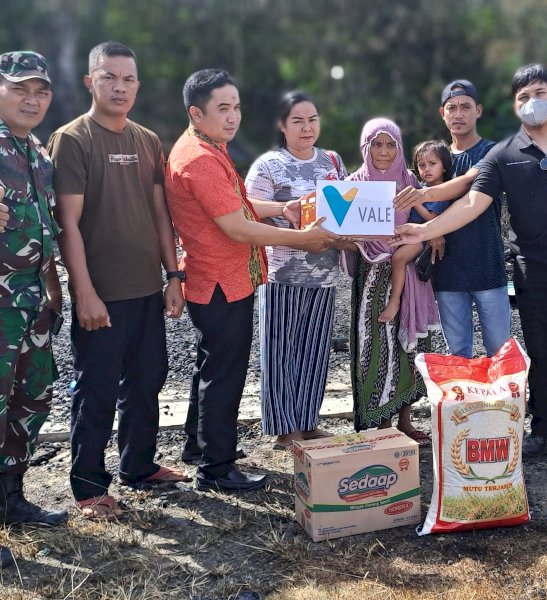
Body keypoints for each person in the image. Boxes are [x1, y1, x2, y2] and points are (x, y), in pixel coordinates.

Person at [393, 64, 547, 471]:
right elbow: (471, 203)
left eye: (539, 93)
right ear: (514, 105)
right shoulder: (504, 154)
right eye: (522, 97)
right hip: (532, 270)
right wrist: (423, 231)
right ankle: (545, 432)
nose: (531, 103)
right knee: (539, 352)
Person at [166, 71, 336, 491]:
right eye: (222, 108)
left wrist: (284, 207)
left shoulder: (206, 145)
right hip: (220, 280)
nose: (232, 116)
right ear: (196, 111)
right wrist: (300, 237)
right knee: (224, 374)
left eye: (236, 106)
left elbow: (237, 204)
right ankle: (216, 468)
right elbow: (237, 226)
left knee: (211, 366)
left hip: (221, 277)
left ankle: (198, 445)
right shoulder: (201, 159)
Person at [49, 41, 189, 520]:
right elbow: (68, 224)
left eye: (129, 79)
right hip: (101, 294)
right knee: (97, 390)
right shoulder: (73, 139)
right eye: (110, 77)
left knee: (148, 380)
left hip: (148, 288)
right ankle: (88, 487)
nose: (120, 87)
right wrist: (83, 293)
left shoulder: (147, 140)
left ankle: (139, 465)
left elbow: (160, 214)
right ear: (91, 81)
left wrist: (174, 275)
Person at [244, 91, 347, 451]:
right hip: (282, 273)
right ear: (282, 125)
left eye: (313, 119)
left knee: (314, 351)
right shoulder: (269, 165)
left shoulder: (332, 161)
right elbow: (244, 207)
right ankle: (285, 430)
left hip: (324, 274)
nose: (307, 127)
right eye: (298, 121)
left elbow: (348, 208)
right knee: (280, 352)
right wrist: (282, 208)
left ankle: (307, 421)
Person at [0, 50, 68, 550]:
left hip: (34, 305)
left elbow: (46, 233)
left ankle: (12, 499)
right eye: (19, 89)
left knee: (31, 399)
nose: (32, 99)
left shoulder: (38, 156)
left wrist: (55, 293)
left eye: (40, 90)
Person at [396, 80, 509, 358]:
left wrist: (421, 197)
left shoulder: (492, 153)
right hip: (446, 271)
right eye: (452, 108)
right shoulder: (433, 158)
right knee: (457, 352)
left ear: (478, 111)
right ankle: (462, 403)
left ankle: (503, 403)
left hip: (487, 266)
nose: (458, 114)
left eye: (466, 107)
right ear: (442, 113)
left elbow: (463, 186)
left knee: (500, 350)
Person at [344, 118, 439, 443]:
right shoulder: (353, 184)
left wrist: (423, 237)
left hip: (408, 274)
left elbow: (428, 219)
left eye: (390, 145)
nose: (383, 152)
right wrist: (353, 237)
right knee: (376, 346)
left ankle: (405, 421)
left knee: (407, 346)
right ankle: (381, 426)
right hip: (371, 278)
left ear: (399, 148)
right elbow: (339, 236)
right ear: (365, 147)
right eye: (377, 144)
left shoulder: (408, 180)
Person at [379, 139, 453, 322]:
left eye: (432, 164)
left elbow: (433, 220)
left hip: (423, 236)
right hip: (411, 233)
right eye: (421, 165)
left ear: (444, 167)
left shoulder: (441, 190)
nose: (426, 169)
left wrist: (416, 200)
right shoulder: (424, 188)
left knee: (398, 258)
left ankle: (395, 301)